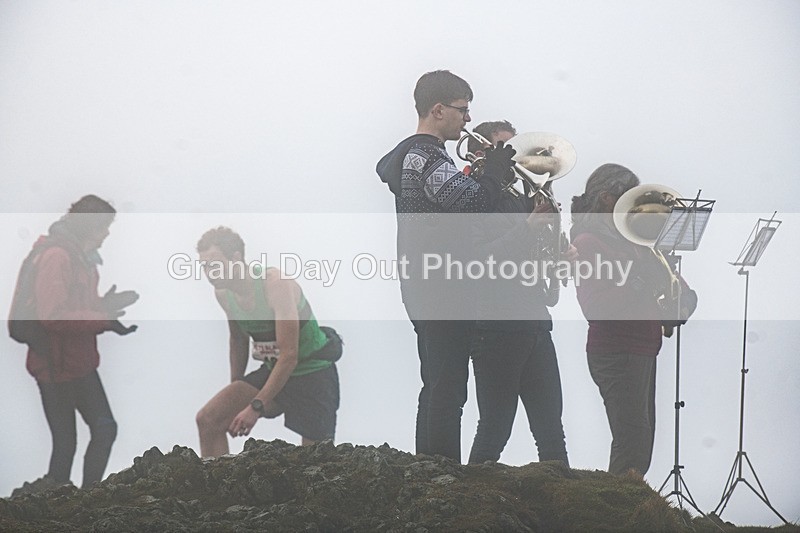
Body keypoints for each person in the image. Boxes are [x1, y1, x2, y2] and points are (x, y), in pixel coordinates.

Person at [376, 70, 516, 461]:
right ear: (438, 110)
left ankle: (428, 469)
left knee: (437, 382)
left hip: (425, 282)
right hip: (442, 285)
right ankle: (442, 474)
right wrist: (494, 174)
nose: (467, 120)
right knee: (449, 386)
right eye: (462, 110)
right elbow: (470, 203)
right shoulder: (427, 154)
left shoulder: (412, 154)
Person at [569, 163, 695, 476]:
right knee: (632, 442)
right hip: (615, 351)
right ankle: (619, 513)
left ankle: (624, 508)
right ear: (608, 199)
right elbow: (595, 307)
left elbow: (667, 282)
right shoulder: (588, 242)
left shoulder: (634, 242)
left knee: (642, 441)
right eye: (629, 198)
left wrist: (684, 298)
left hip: (641, 348)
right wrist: (641, 280)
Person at [10, 195, 138, 495]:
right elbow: (52, 316)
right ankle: (66, 504)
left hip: (78, 363)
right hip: (54, 366)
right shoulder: (58, 256)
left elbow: (75, 307)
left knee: (102, 430)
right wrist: (103, 319)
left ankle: (82, 501)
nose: (107, 233)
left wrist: (105, 307)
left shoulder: (83, 259)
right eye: (104, 226)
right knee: (68, 443)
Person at [466, 121, 572, 466]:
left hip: (536, 322)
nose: (516, 159)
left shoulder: (521, 198)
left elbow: (530, 254)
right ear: (481, 154)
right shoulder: (475, 199)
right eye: (505, 149)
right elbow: (480, 260)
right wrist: (529, 228)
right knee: (495, 429)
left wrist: (558, 253)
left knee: (551, 431)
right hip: (496, 327)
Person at [195, 227, 341, 458]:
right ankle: (216, 489)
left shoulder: (274, 284)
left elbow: (289, 355)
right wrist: (236, 388)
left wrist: (255, 407)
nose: (209, 272)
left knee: (317, 462)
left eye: (214, 263)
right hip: (274, 370)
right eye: (204, 266)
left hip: (313, 373)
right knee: (208, 419)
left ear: (236, 258)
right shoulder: (223, 293)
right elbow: (238, 340)